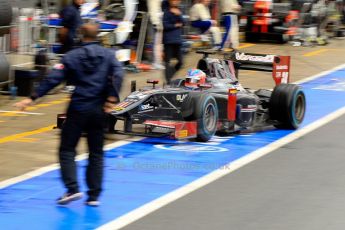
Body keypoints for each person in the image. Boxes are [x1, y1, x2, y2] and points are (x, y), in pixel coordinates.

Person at [14, 23, 124, 206]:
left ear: (81, 35)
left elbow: (52, 79)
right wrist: (112, 99)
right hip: (99, 110)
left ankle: (72, 188)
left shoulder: (71, 56)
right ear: (98, 36)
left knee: (67, 149)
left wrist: (32, 98)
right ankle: (94, 196)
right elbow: (119, 74)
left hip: (78, 109)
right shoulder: (109, 56)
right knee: (96, 153)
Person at [162, 0, 185, 84]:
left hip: (177, 41)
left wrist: (179, 15)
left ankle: (170, 75)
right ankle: (168, 81)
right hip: (168, 40)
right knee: (168, 62)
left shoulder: (179, 10)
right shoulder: (166, 11)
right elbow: (165, 25)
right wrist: (176, 25)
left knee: (181, 62)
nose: (176, 2)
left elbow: (184, 23)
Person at [147, 0, 165, 69]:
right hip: (156, 21)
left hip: (157, 20)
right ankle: (156, 62)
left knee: (157, 43)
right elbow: (153, 10)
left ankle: (157, 62)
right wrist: (156, 23)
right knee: (156, 43)